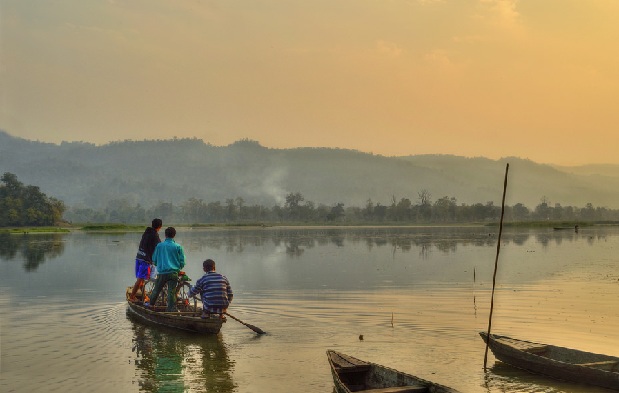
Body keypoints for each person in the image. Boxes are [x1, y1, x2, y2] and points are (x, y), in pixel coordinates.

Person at [145, 227, 186, 312]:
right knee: (171, 291)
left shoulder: (159, 246)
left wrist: (159, 265)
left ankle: (151, 305)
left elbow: (154, 259)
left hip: (162, 273)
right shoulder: (178, 246)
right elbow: (182, 261)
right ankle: (171, 309)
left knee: (156, 289)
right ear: (174, 235)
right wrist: (178, 268)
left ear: (165, 235)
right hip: (174, 273)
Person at [129, 218, 162, 302]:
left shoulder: (146, 232)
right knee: (140, 280)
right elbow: (159, 247)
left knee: (141, 279)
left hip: (139, 257)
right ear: (160, 227)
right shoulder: (155, 235)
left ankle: (145, 296)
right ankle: (132, 296)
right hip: (145, 260)